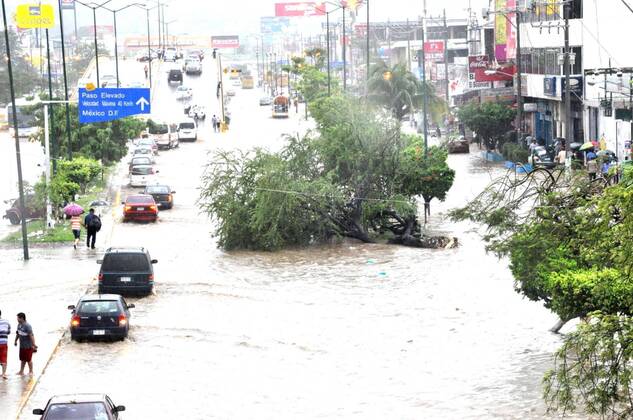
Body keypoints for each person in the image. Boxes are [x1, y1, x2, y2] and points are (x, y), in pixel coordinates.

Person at [0, 310, 10, 379]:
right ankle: (3, 374)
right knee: (4, 358)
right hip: (4, 343)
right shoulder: (6, 322)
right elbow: (8, 331)